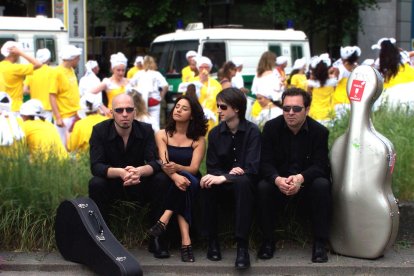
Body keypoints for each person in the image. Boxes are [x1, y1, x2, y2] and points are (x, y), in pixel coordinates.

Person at [88, 93, 171, 258]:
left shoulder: (146, 130)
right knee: (96, 183)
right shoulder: (100, 131)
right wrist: (120, 172)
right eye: (119, 110)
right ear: (112, 112)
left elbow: (156, 163)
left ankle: (157, 238)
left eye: (129, 109)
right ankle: (103, 239)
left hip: (140, 184)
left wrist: (139, 171)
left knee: (161, 180)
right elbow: (96, 166)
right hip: (113, 184)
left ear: (134, 111)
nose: (124, 114)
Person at [257, 88, 331, 263]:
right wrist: (277, 179)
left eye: (296, 109)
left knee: (322, 185)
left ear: (307, 109)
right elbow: (264, 162)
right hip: (279, 182)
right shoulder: (270, 128)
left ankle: (320, 243)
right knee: (263, 187)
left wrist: (300, 178)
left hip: (306, 183)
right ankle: (267, 241)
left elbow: (321, 165)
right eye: (286, 108)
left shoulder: (319, 132)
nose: (290, 113)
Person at [200, 88, 261, 269]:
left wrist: (226, 177)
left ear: (236, 109)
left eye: (222, 106)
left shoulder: (252, 132)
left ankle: (242, 247)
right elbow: (212, 167)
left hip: (246, 186)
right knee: (206, 184)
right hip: (223, 183)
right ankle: (212, 241)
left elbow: (252, 169)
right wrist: (225, 177)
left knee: (242, 182)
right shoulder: (215, 134)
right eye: (218, 106)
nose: (218, 110)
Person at [148, 95, 208, 262]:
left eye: (184, 108)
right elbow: (164, 163)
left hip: (192, 178)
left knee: (186, 182)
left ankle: (163, 220)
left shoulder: (199, 140)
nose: (178, 110)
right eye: (177, 106)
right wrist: (175, 177)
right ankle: (186, 241)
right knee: (181, 186)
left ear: (193, 115)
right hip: (173, 179)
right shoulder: (162, 134)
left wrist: (179, 169)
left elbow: (194, 169)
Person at [49, 44, 82, 147]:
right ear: (71, 58)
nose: (79, 60)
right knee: (61, 147)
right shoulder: (57, 73)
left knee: (73, 146)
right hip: (64, 117)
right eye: (77, 58)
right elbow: (52, 96)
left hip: (75, 114)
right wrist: (58, 117)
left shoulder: (71, 70)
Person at [128, 55, 168, 131]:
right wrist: (161, 97)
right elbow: (165, 86)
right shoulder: (156, 74)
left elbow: (130, 85)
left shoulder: (138, 73)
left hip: (141, 101)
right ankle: (156, 139)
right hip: (154, 101)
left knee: (140, 119)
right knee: (155, 122)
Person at [0, 41, 42, 113]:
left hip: (2, 107)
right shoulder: (15, 68)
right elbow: (38, 64)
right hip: (15, 107)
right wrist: (21, 53)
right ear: (14, 53)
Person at [250, 51, 283, 122]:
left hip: (257, 106)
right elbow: (278, 94)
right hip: (270, 107)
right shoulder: (274, 74)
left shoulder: (257, 76)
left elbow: (255, 92)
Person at [23, 48, 54, 122]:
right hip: (48, 107)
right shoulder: (52, 72)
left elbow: (24, 90)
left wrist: (33, 90)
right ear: (48, 59)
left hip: (35, 107)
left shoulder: (31, 71)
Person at [307, 53, 337, 126]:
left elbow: (308, 94)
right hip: (329, 114)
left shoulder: (311, 83)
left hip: (315, 114)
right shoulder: (333, 82)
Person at [193, 56, 222, 132]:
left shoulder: (216, 83)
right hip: (196, 116)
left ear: (210, 68)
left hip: (212, 118)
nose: (204, 69)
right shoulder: (192, 81)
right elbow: (188, 97)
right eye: (201, 67)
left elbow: (221, 100)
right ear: (198, 68)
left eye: (206, 67)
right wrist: (201, 82)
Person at [331, 46, 361, 118]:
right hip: (354, 102)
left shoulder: (340, 69)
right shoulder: (358, 68)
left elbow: (333, 84)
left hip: (340, 101)